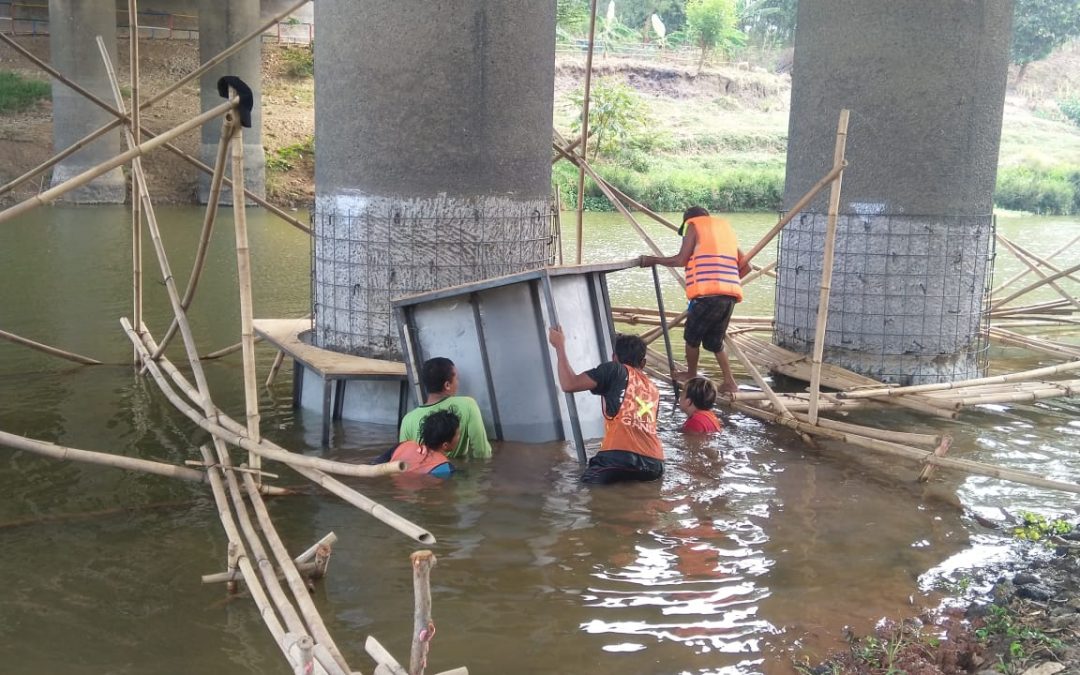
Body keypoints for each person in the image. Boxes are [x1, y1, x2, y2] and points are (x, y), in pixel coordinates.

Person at [639, 206, 750, 394]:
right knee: (715, 342)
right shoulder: (725, 231)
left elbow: (682, 259)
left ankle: (691, 374)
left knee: (691, 337)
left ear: (688, 219)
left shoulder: (693, 225)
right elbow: (748, 267)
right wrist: (724, 280)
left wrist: (654, 260)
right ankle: (730, 382)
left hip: (707, 297)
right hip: (728, 297)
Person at [547, 327, 664, 484]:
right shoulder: (654, 389)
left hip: (619, 459)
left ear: (614, 357)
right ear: (643, 363)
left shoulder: (615, 369)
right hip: (655, 465)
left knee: (582, 489)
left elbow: (569, 384)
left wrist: (559, 346)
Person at [398, 357, 492, 460]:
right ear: (447, 385)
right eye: (457, 379)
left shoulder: (407, 419)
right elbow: (482, 452)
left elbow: (403, 458)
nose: (458, 382)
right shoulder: (468, 405)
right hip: (456, 473)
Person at [390, 409, 459, 477]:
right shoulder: (446, 469)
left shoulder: (403, 446)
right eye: (457, 435)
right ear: (445, 445)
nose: (459, 437)